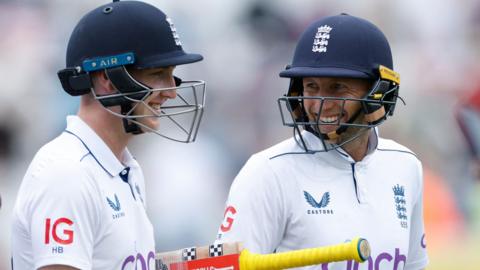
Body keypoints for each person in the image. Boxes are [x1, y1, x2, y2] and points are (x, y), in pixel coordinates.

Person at [216, 14, 428, 270]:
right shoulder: (267, 172)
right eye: (311, 86)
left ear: (378, 91)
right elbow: (226, 266)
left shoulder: (405, 165)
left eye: (338, 87)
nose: (319, 104)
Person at [11, 1, 205, 269]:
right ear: (108, 79)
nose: (172, 91)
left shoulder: (124, 168)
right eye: (158, 74)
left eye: (172, 75)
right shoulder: (67, 173)